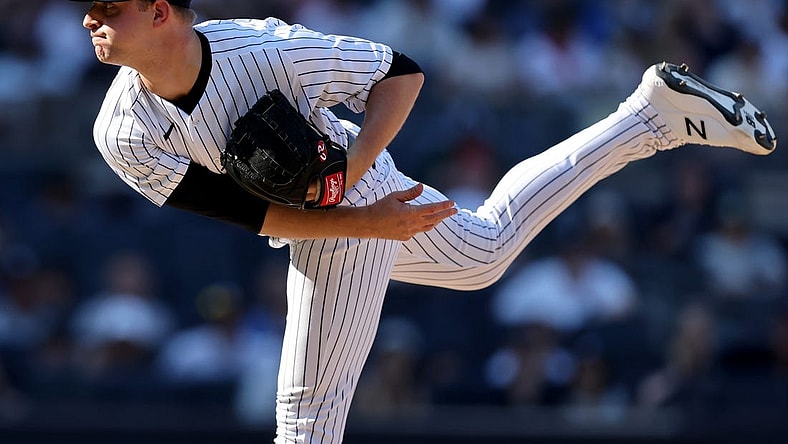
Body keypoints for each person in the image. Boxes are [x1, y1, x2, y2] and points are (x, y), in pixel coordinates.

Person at [71, 0, 777, 442]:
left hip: (350, 181)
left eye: (108, 7)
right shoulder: (124, 130)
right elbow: (252, 214)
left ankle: (650, 118)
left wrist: (356, 179)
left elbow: (399, 71)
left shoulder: (263, 50)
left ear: (161, 10)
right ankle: (649, 117)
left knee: (307, 418)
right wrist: (365, 221)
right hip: (324, 215)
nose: (90, 20)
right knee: (485, 251)